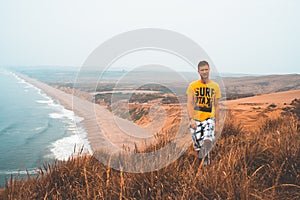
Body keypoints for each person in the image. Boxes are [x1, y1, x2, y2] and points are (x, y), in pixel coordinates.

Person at [186, 60, 221, 165]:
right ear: (198, 71)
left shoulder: (215, 86)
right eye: (202, 70)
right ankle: (204, 166)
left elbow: (217, 105)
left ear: (209, 70)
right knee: (198, 148)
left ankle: (205, 166)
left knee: (207, 141)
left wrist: (217, 124)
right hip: (196, 121)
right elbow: (189, 104)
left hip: (209, 119)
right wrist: (191, 119)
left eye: (206, 69)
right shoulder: (193, 86)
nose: (205, 72)